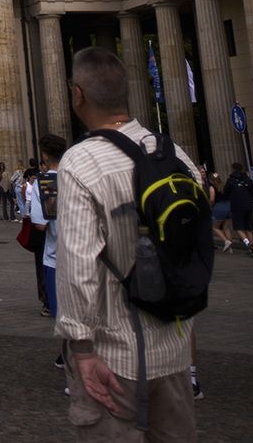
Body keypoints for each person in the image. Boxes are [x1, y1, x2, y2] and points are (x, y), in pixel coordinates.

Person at [55, 46, 199, 441]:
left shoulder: (82, 162)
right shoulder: (175, 155)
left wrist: (81, 348)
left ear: (77, 94)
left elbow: (78, 265)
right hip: (173, 350)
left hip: (112, 353)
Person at [27, 135, 67, 323]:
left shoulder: (43, 183)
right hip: (88, 256)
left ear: (44, 156)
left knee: (62, 317)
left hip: (55, 258)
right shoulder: (78, 176)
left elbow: (40, 225)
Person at [223, 162, 253, 257]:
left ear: (233, 169)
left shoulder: (230, 180)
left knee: (239, 227)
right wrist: (250, 196)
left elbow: (225, 193)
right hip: (249, 205)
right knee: (249, 227)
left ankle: (248, 244)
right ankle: (251, 248)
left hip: (237, 206)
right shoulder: (247, 179)